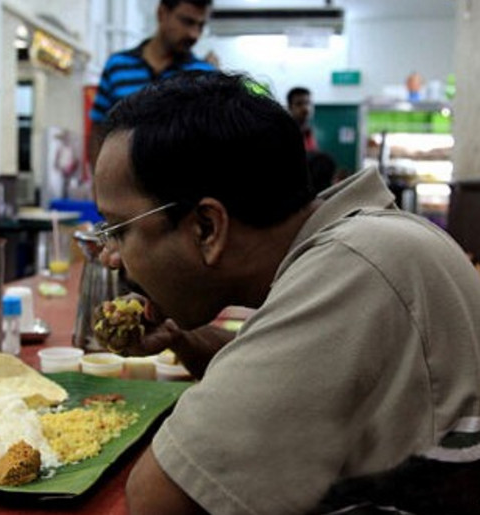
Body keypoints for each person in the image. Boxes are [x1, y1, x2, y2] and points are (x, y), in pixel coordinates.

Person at [92, 71, 480, 514]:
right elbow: (287, 363)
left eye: (117, 230)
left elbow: (159, 499)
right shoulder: (360, 241)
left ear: (206, 227)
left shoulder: (354, 267)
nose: (111, 258)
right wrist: (182, 338)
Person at [88, 0, 216, 170]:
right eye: (187, 22)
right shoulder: (117, 66)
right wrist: (99, 186)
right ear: (162, 13)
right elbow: (98, 130)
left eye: (201, 26)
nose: (194, 34)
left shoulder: (205, 75)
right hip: (123, 187)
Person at [287, 86, 318, 151]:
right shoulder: (285, 133)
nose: (305, 108)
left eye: (307, 103)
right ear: (290, 107)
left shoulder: (308, 132)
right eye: (299, 104)